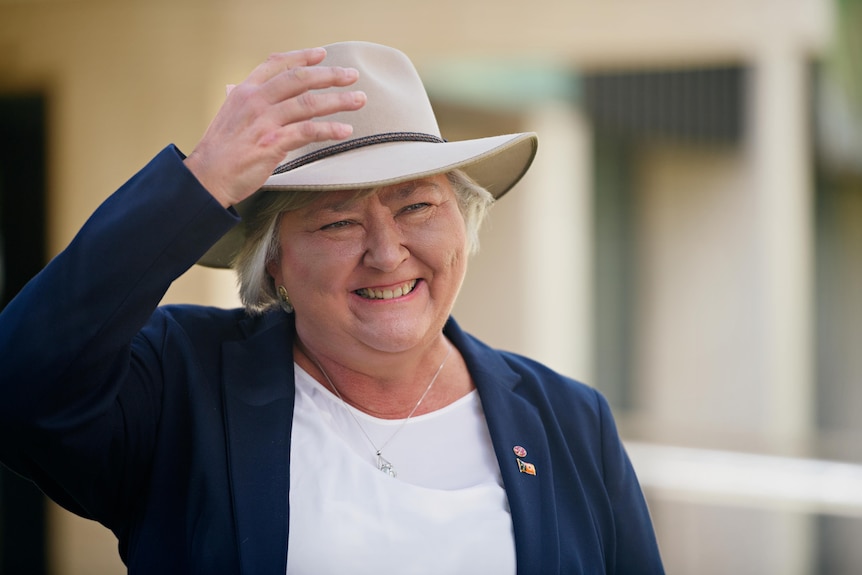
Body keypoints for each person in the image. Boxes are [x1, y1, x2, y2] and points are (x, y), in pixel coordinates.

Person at [0, 41, 664, 574]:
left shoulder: (571, 420)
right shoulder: (183, 388)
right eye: (337, 222)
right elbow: (19, 382)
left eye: (416, 205)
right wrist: (197, 181)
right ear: (275, 260)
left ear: (463, 223)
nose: (386, 252)